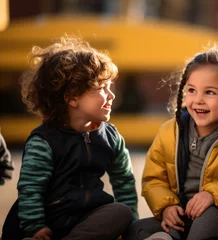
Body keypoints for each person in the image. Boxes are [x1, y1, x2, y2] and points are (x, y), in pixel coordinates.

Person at [125, 43, 218, 240]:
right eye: (192, 90)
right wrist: (166, 206)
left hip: (217, 217)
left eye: (209, 92)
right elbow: (153, 179)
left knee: (208, 219)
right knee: (136, 229)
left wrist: (212, 195)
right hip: (180, 215)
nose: (198, 100)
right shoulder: (170, 132)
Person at [2, 36, 138, 240]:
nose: (112, 95)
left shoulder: (111, 137)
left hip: (85, 220)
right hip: (45, 223)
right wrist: (34, 226)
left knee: (122, 212)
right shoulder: (44, 141)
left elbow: (124, 181)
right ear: (72, 97)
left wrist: (130, 228)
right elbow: (30, 189)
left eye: (111, 87)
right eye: (102, 88)